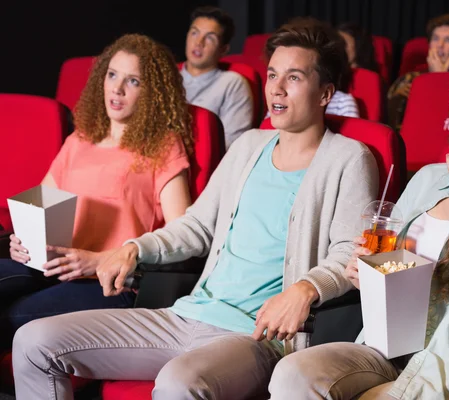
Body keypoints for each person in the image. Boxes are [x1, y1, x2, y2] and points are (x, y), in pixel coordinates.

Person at [12, 17, 379, 400]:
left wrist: (306, 288)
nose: (277, 88)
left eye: (294, 78)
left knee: (178, 382)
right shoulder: (249, 146)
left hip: (255, 335)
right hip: (187, 313)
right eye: (272, 75)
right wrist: (136, 248)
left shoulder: (349, 158)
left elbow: (352, 253)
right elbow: (197, 225)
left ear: (325, 94)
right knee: (33, 342)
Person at [268, 53, 449, 400]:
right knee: (291, 374)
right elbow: (394, 271)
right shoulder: (427, 179)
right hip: (386, 347)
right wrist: (368, 275)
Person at [0, 34, 193, 349]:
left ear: (153, 93)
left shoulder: (164, 146)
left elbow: (183, 237)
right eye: (112, 75)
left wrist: (99, 260)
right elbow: (40, 204)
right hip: (51, 266)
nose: (117, 88)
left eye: (133, 81)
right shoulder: (81, 138)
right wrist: (21, 241)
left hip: (111, 282)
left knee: (13, 318)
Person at [181, 5, 254, 149]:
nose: (198, 43)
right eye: (194, 33)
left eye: (210, 38)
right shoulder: (167, 78)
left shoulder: (232, 84)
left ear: (223, 49)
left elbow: (233, 145)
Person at [388, 14, 449, 131]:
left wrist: (438, 78)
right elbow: (392, 122)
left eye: (448, 40)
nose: (440, 45)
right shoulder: (409, 79)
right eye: (436, 39)